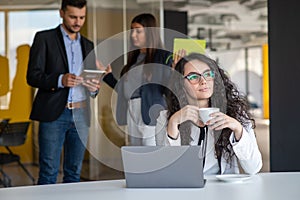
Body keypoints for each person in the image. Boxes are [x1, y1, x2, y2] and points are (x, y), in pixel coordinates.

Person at [27, 0, 100, 184]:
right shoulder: (44, 38)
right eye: (73, 17)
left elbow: (92, 81)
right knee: (48, 173)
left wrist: (94, 88)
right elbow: (32, 76)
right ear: (61, 13)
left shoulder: (88, 45)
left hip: (81, 115)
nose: (78, 22)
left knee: (74, 173)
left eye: (82, 17)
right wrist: (60, 80)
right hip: (54, 116)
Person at [155, 53, 262, 175]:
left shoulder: (235, 114)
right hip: (187, 191)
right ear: (181, 83)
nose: (203, 81)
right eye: (193, 77)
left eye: (207, 74)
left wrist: (238, 129)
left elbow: (254, 168)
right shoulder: (165, 118)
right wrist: (173, 124)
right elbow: (168, 170)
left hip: (223, 190)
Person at [102, 13, 173, 146]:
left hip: (152, 113)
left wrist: (175, 70)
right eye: (132, 30)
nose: (133, 35)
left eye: (138, 31)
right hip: (132, 112)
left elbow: (169, 88)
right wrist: (107, 77)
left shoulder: (163, 57)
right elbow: (126, 91)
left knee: (150, 157)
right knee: (135, 157)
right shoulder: (133, 60)